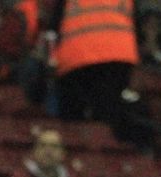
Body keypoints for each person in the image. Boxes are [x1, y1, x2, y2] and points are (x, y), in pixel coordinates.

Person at [50, 0, 139, 129]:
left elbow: (54, 27)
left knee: (74, 116)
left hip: (77, 56)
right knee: (107, 113)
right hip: (119, 54)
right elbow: (137, 23)